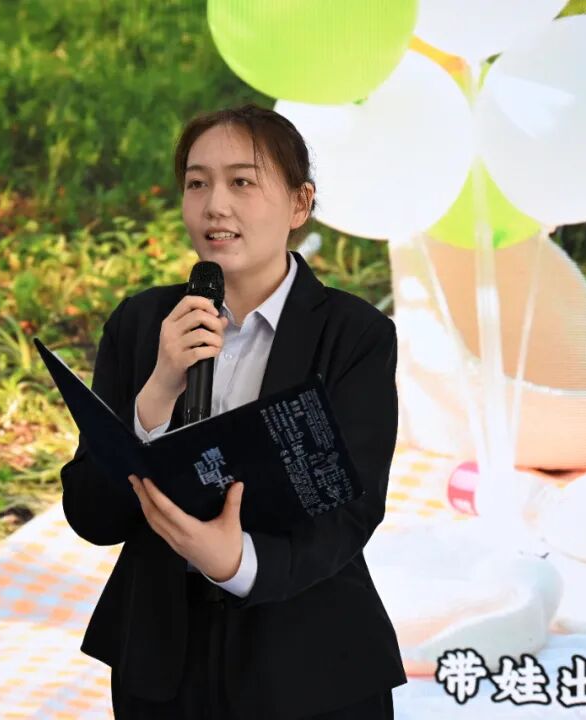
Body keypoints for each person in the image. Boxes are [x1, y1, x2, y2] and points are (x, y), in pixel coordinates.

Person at [60, 104, 406, 719]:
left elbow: (350, 512)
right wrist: (158, 389)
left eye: (242, 181)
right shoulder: (142, 323)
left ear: (300, 204)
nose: (215, 205)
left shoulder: (355, 335)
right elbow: (92, 514)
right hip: (162, 662)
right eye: (197, 183)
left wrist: (238, 562)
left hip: (310, 665)